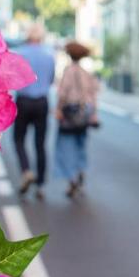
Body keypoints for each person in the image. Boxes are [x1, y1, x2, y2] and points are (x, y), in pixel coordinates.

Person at [13, 24, 55, 197]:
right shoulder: (49, 55)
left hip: (23, 100)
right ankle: (41, 185)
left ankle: (26, 171)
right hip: (42, 102)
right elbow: (51, 79)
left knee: (19, 139)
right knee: (40, 143)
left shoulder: (20, 54)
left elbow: (14, 78)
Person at [55, 41, 100, 197]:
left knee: (66, 147)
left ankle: (72, 179)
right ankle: (81, 171)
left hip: (70, 113)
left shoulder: (68, 71)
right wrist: (94, 114)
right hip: (84, 113)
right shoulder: (87, 73)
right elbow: (93, 94)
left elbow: (62, 93)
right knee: (81, 144)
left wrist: (58, 109)